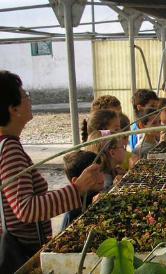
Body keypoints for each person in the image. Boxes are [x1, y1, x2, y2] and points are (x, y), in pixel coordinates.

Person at [0, 70, 104, 272]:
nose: (29, 100)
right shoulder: (10, 150)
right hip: (22, 253)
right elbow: (26, 209)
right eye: (25, 96)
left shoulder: (8, 145)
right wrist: (77, 189)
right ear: (13, 109)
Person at [60, 150, 99, 230]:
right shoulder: (74, 213)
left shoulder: (97, 194)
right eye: (94, 174)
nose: (101, 177)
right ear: (76, 181)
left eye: (101, 171)